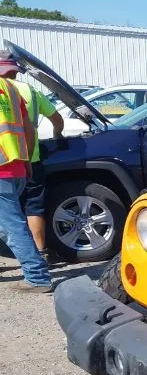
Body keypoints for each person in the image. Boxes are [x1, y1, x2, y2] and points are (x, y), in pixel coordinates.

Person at [0, 49, 64, 263]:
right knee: (33, 208)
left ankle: (32, 268)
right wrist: (57, 135)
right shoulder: (29, 91)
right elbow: (57, 119)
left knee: (8, 216)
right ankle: (41, 252)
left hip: (3, 163)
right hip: (29, 160)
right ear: (15, 71)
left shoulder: (3, 90)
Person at [0, 75, 52, 292]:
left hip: (2, 168)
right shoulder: (10, 88)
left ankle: (37, 276)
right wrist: (28, 160)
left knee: (11, 225)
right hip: (17, 164)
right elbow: (29, 129)